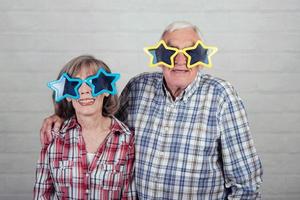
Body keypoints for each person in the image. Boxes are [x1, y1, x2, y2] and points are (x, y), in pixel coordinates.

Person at [40, 21, 263, 199]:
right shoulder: (139, 87)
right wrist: (62, 114)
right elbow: (101, 123)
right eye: (170, 52)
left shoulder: (221, 96)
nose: (180, 60)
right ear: (158, 55)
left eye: (191, 52)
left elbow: (246, 184)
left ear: (202, 58)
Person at [34, 55, 135, 199]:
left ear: (107, 90)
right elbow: (42, 193)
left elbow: (128, 195)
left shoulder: (126, 140)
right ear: (67, 95)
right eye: (75, 84)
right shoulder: (54, 136)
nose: (84, 90)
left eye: (94, 82)